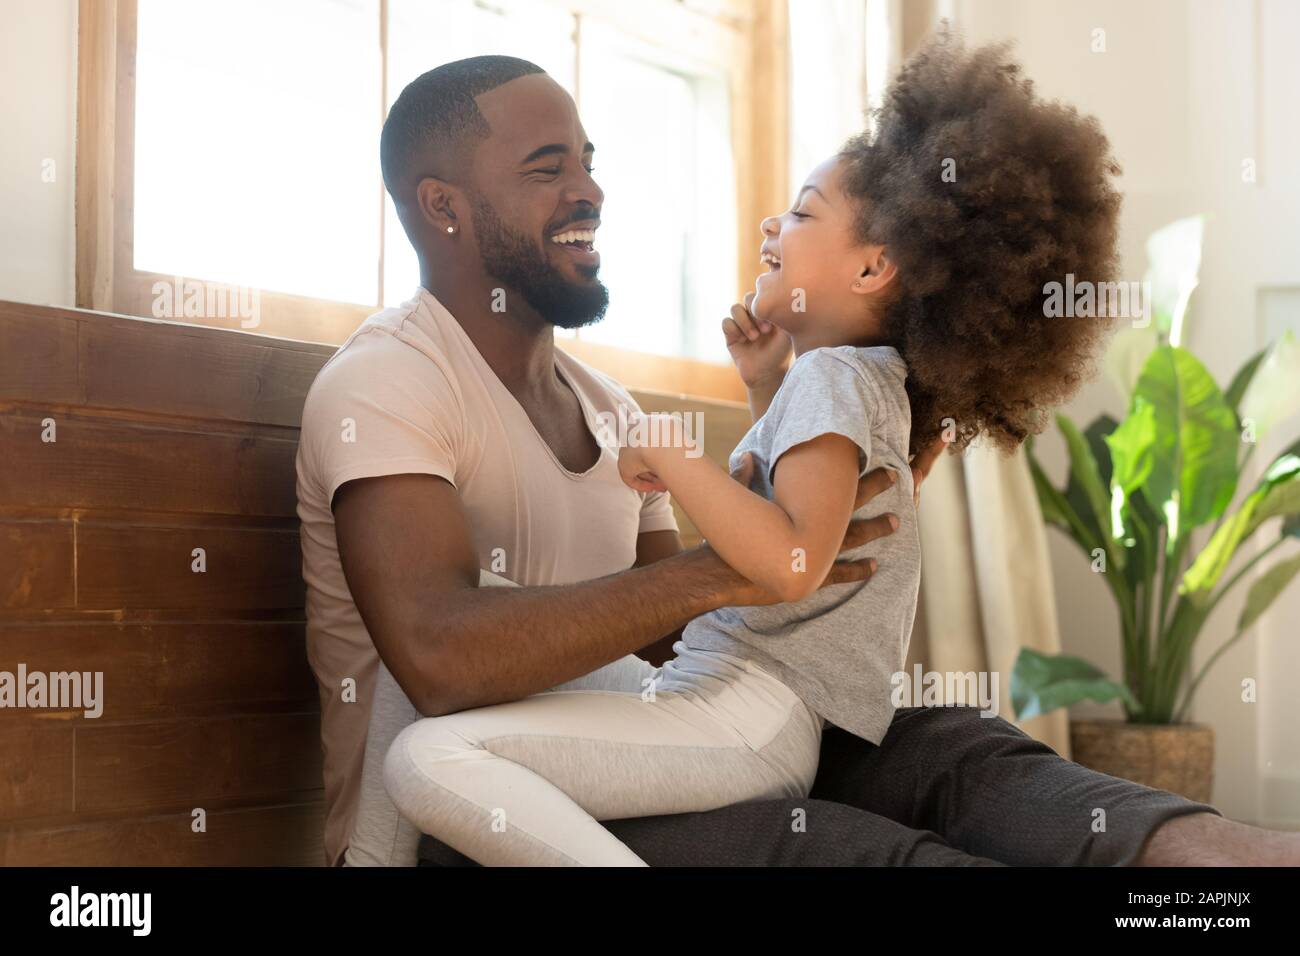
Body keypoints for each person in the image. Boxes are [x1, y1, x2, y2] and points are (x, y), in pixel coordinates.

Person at [296, 48, 1295, 869]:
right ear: (444, 206)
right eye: (547, 167)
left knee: (932, 742)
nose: (589, 188)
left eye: (589, 160)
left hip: (620, 737)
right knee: (811, 833)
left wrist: (800, 507)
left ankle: (1214, 857)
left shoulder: (607, 404)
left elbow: (672, 639)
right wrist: (744, 555)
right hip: (479, 821)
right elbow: (433, 659)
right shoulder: (388, 381)